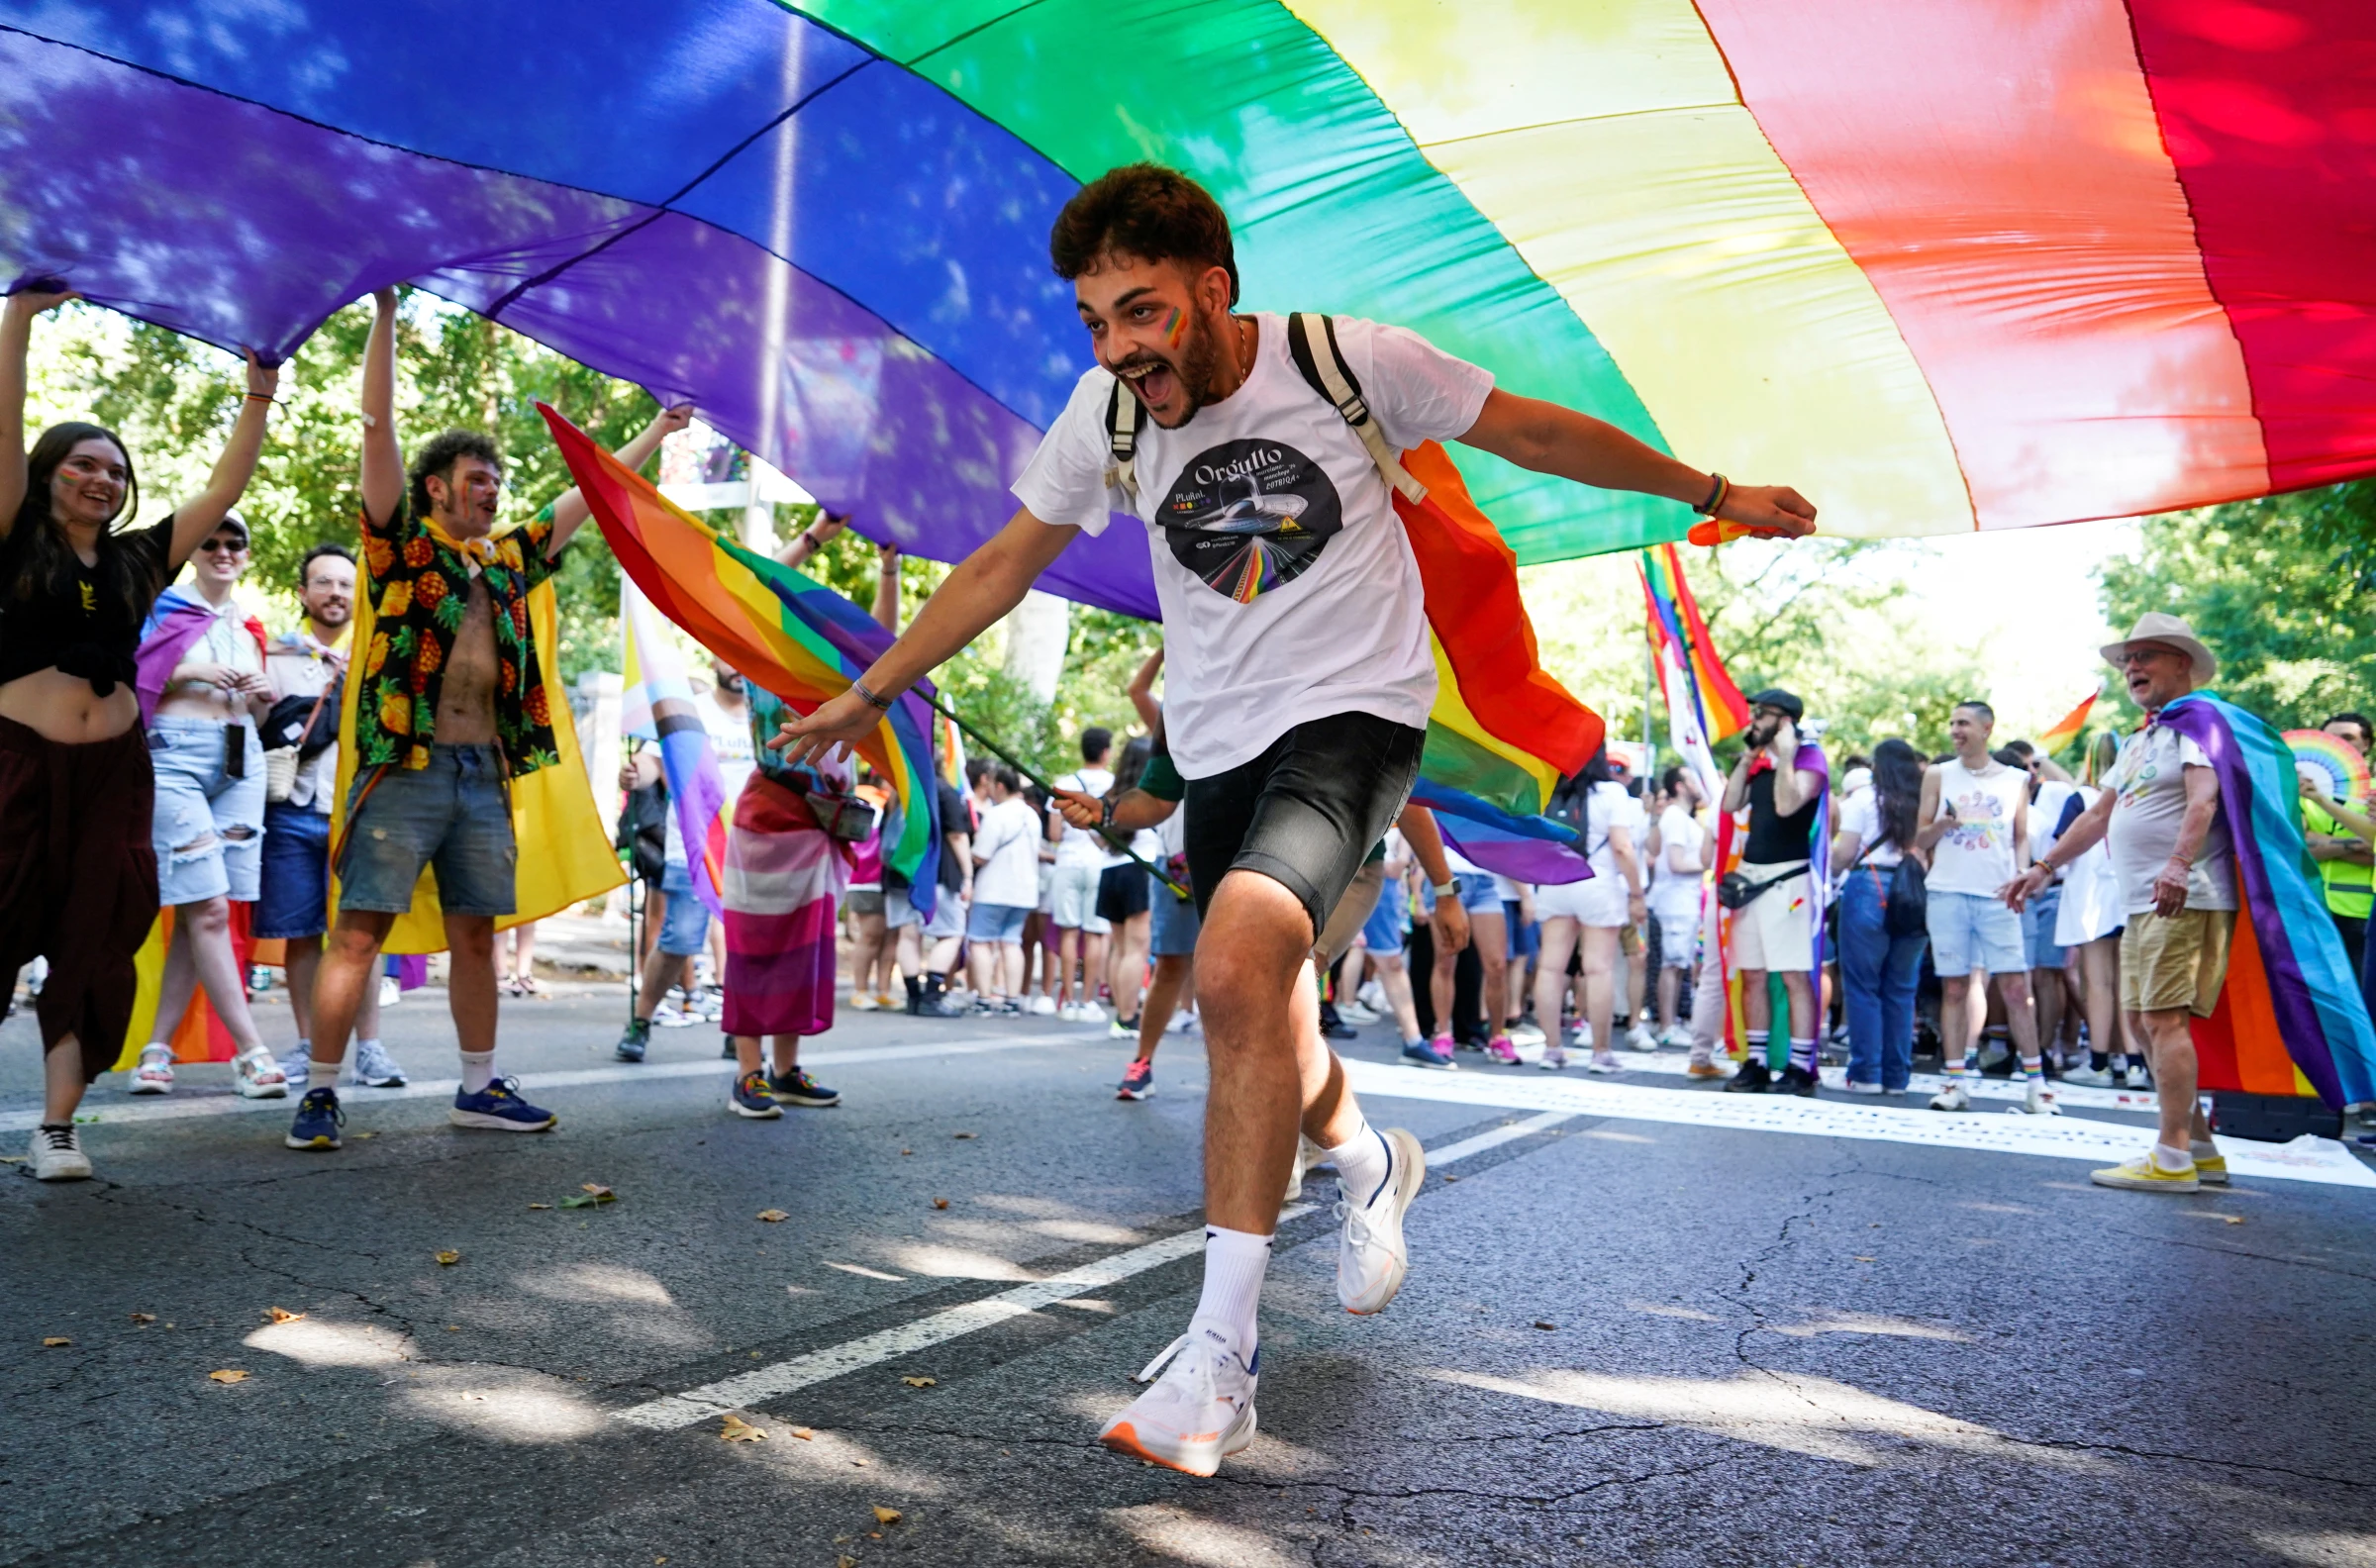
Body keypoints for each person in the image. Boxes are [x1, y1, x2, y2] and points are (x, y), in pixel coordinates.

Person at [772, 161, 1812, 1474]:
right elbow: (999, 563)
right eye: (1095, 322)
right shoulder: (1106, 417)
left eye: (1141, 313)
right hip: (1219, 749)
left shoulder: (1342, 362)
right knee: (1264, 1014)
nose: (1119, 348)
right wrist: (867, 691)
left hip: (1357, 719)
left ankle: (1219, 1359)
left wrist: (1714, 495)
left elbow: (1537, 434)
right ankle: (1368, 1158)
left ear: (1212, 290)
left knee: (1234, 964)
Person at [285, 285, 690, 1151]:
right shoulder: (399, 548)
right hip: (404, 769)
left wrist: (656, 433)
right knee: (357, 931)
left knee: (478, 936)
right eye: (478, 480)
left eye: (498, 482)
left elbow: (591, 492)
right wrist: (388, 315)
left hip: (480, 776)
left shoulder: (507, 561)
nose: (492, 491)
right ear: (438, 487)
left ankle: (477, 1087)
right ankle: (318, 1091)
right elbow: (376, 431)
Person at [3, 285, 284, 1180]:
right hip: (16, 768)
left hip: (117, 776)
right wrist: (18, 324)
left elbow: (229, 486)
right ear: (50, 474)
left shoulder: (137, 558)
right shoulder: (11, 537)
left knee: (100, 931)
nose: (101, 479)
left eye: (116, 470)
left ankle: (57, 1128)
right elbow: (2, 433)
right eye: (83, 464)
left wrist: (260, 390)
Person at [2008, 615, 2236, 1192]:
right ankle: (2201, 1152)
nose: (2132, 668)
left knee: (2161, 1020)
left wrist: (2178, 865)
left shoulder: (2199, 724)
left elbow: (2203, 802)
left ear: (2182, 663)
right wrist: (2042, 868)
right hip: (2141, 901)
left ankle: (2173, 1159)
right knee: (2141, 1020)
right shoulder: (2142, 738)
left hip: (2185, 895)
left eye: (2147, 657)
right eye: (2127, 660)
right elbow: (2097, 815)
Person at [126, 513, 286, 1098]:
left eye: (233, 543)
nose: (222, 551)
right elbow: (130, 679)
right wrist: (188, 669)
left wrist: (265, 694)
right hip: (175, 760)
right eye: (210, 542)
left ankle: (156, 1050)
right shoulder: (163, 609)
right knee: (210, 908)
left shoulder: (250, 626)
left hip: (242, 763)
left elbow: (262, 719)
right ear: (193, 553)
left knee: (205, 912)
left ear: (246, 555)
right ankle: (252, 1051)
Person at [256, 544, 397, 1091]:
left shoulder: (380, 656)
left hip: (361, 812)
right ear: (303, 593)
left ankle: (371, 1049)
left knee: (361, 935)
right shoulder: (272, 657)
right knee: (301, 933)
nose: (336, 593)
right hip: (292, 812)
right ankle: (310, 1043)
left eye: (345, 584)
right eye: (324, 583)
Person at [715, 677, 845, 1117]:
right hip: (769, 814)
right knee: (754, 949)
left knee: (801, 953)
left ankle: (785, 1072)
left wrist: (891, 601)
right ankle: (747, 1074)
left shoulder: (839, 671)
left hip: (817, 818)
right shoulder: (766, 654)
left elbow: (879, 650)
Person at [615, 660, 757, 1063]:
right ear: (713, 660)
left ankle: (740, 1032)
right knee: (679, 941)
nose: (738, 668)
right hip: (695, 847)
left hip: (754, 850)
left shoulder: (767, 716)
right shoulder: (690, 711)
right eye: (728, 658)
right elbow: (652, 762)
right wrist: (634, 774)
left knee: (747, 946)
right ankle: (640, 1021)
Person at [1917, 703, 2055, 1116]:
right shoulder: (1938, 775)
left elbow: (2019, 836)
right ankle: (1955, 1081)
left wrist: (2021, 872)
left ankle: (2037, 1087)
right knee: (1955, 987)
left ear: (1986, 728)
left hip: (1998, 895)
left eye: (1963, 724)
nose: (1955, 731)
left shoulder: (2016, 780)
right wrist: (1945, 823)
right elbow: (1920, 838)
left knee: (2017, 989)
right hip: (1947, 892)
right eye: (1952, 723)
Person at [1719, 690, 1826, 1096]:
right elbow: (1729, 805)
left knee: (1795, 975)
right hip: (1751, 879)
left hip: (1788, 880)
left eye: (1761, 714)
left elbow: (1786, 806)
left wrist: (1784, 756)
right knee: (1752, 974)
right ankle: (1756, 1062)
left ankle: (1800, 1066)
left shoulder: (1810, 760)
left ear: (1784, 721)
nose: (1753, 720)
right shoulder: (1758, 762)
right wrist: (1748, 759)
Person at [1533, 751, 1644, 1073]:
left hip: (1555, 880)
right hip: (1597, 883)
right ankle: (1601, 1053)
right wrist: (1636, 894)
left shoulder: (1551, 788)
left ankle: (1552, 1049)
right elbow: (1622, 847)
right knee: (1598, 969)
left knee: (1551, 969)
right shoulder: (1611, 793)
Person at [1831, 738, 1926, 1094]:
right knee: (1902, 988)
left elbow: (1844, 854)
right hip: (1914, 891)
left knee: (1863, 985)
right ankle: (1897, 1077)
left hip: (1869, 888)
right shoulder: (1923, 801)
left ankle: (1866, 1073)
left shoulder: (1863, 800)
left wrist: (1827, 863)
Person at [2053, 732, 2134, 1087]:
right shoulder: (2135, 795)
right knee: (2128, 983)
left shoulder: (2080, 798)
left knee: (2098, 983)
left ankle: (2100, 1062)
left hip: (2092, 900)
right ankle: (2133, 1065)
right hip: (2130, 895)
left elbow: (2061, 849)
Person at [1049, 728, 1117, 1021]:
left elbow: (1054, 833)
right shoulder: (1115, 785)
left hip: (1067, 861)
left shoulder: (1065, 784)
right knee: (1095, 934)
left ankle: (1067, 1002)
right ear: (1106, 752)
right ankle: (1088, 1001)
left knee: (1069, 931)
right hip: (1100, 863)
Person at [1098, 735, 1159, 1036]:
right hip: (1141, 868)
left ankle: (1120, 1015)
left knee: (1120, 948)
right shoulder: (1152, 795)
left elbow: (1096, 837)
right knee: (1137, 948)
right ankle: (1127, 1017)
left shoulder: (1110, 795)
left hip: (1110, 871)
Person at [2303, 715, 2372, 981]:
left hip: (2364, 915)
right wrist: (2361, 844)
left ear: (2366, 744)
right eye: (2331, 738)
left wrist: (2324, 843)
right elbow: (2298, 846)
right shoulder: (2302, 794)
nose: (2339, 744)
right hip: (2312, 910)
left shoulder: (2374, 793)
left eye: (2348, 738)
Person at [967, 764, 1041, 1012]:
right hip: (1025, 890)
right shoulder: (1031, 815)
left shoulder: (997, 814)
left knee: (980, 941)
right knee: (1011, 942)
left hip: (994, 889)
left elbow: (981, 855)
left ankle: (984, 998)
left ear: (1000, 786)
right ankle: (1012, 999)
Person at [1645, 767, 1709, 1046]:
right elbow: (1676, 862)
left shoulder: (1680, 818)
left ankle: (1672, 1023)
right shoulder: (1674, 817)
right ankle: (1667, 1026)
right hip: (1674, 903)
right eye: (1692, 780)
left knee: (1679, 965)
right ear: (1680, 786)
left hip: (1684, 901)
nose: (1698, 785)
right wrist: (1710, 863)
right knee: (1671, 965)